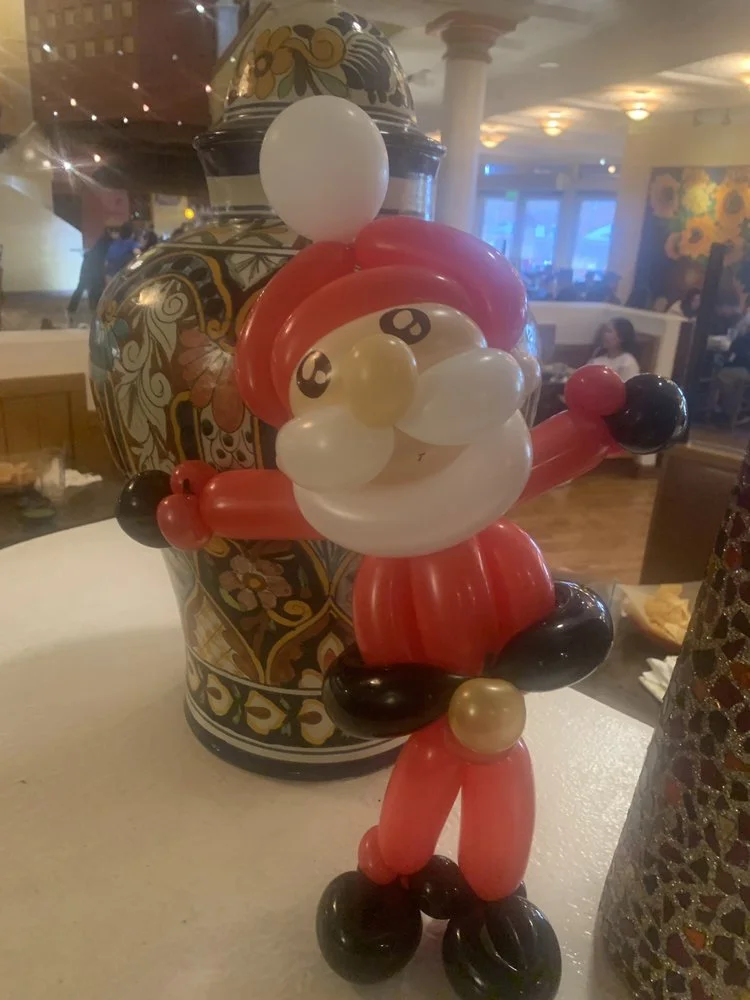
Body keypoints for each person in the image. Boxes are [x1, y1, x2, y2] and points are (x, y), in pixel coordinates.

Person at [67, 229, 112, 324]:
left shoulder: (96, 249)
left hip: (86, 270)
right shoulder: (102, 251)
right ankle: (93, 310)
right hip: (91, 272)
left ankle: (72, 309)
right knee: (92, 289)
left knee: (81, 288)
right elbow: (99, 269)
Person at [586, 317, 640, 382]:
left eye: (609, 331)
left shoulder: (627, 362)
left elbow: (628, 386)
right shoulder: (597, 358)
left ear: (621, 337)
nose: (604, 335)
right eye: (604, 331)